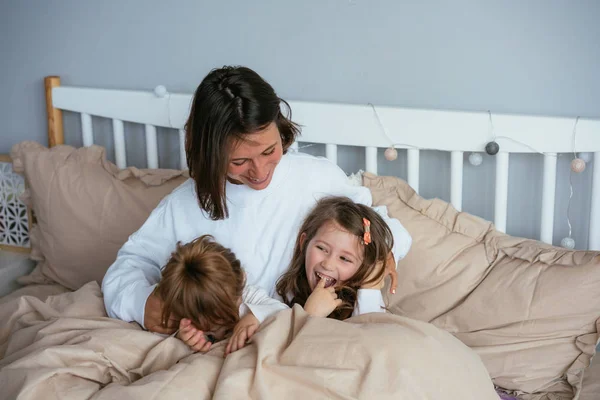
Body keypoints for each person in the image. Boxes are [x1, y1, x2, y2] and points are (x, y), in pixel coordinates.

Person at [101, 65, 412, 339]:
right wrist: (142, 305)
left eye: (268, 151)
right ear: (212, 155)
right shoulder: (185, 204)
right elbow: (128, 266)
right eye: (239, 161)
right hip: (240, 336)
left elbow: (376, 222)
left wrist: (384, 255)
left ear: (280, 129)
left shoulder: (317, 177)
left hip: (308, 329)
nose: (260, 171)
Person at [154, 235, 288, 354]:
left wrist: (254, 316)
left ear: (242, 277)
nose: (221, 324)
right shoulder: (193, 310)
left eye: (227, 311)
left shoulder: (250, 296)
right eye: (212, 322)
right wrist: (188, 339)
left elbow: (285, 312)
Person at [276, 196, 393, 320]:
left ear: (364, 267)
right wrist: (310, 315)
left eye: (344, 258)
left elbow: (369, 335)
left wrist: (369, 287)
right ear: (304, 243)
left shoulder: (368, 299)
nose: (328, 264)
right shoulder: (286, 294)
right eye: (322, 248)